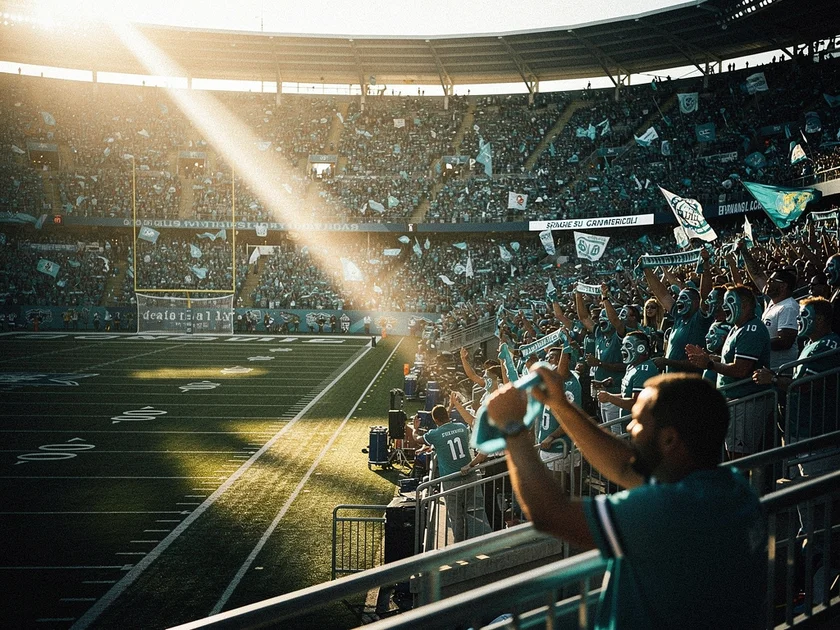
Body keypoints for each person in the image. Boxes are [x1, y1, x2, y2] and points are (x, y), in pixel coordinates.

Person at [485, 370, 766, 630]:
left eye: (637, 421)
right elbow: (623, 467)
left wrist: (513, 427)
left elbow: (549, 513)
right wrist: (560, 405)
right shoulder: (733, 490)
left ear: (669, 440)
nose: (629, 429)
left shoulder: (669, 510)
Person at [686, 284, 772, 459]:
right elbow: (731, 362)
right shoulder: (736, 328)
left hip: (746, 401)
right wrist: (710, 358)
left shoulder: (752, 329)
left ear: (747, 305)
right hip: (736, 401)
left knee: (739, 457)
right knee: (733, 453)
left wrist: (709, 364)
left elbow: (741, 369)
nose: (724, 306)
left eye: (730, 301)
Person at [412, 404, 492, 543]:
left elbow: (417, 439)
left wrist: (415, 428)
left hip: (451, 481)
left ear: (435, 420)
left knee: (456, 517)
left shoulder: (435, 435)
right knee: (468, 512)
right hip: (470, 476)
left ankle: (459, 546)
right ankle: (469, 541)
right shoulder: (461, 428)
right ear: (448, 416)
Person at [596, 331, 660, 427]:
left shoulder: (644, 370)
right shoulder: (632, 367)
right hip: (629, 425)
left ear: (640, 348)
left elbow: (637, 403)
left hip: (640, 428)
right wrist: (610, 397)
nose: (622, 349)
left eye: (628, 345)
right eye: (623, 345)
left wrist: (609, 397)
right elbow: (627, 395)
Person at [761, 269, 799, 371]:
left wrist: (758, 343)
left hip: (780, 372)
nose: (767, 283)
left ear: (783, 286)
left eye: (771, 280)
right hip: (769, 370)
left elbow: (785, 341)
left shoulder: (788, 307)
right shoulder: (773, 304)